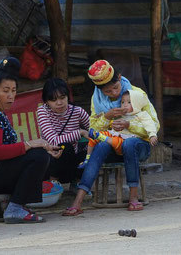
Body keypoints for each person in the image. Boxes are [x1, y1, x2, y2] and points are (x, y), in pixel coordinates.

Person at [0, 57, 61, 223]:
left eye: (13, 90)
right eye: (5, 91)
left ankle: (16, 205)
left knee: (42, 155)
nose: (11, 96)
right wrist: (30, 145)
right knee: (38, 156)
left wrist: (35, 146)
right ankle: (15, 208)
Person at [63, 60, 160, 215]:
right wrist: (106, 117)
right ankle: (78, 202)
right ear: (99, 90)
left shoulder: (137, 94)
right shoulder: (97, 100)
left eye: (115, 87)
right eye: (107, 92)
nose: (114, 93)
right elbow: (93, 130)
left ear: (120, 78)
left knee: (130, 144)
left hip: (139, 146)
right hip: (114, 144)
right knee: (100, 146)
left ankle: (134, 198)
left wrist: (129, 126)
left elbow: (154, 125)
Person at [79, 89, 159, 168]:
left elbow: (150, 125)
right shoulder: (121, 114)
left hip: (125, 141)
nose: (124, 105)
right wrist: (103, 116)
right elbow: (110, 122)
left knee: (117, 141)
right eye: (122, 102)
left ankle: (102, 137)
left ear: (136, 104)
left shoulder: (141, 115)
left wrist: (152, 135)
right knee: (93, 138)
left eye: (129, 102)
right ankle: (87, 158)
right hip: (115, 135)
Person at [37, 78, 90, 187]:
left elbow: (94, 131)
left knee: (91, 149)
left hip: (73, 162)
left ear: (68, 96)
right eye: (53, 100)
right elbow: (53, 140)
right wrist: (80, 132)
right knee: (64, 147)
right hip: (52, 163)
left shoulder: (77, 111)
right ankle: (53, 184)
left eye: (62, 97)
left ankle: (78, 182)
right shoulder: (43, 111)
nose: (59, 103)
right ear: (46, 101)